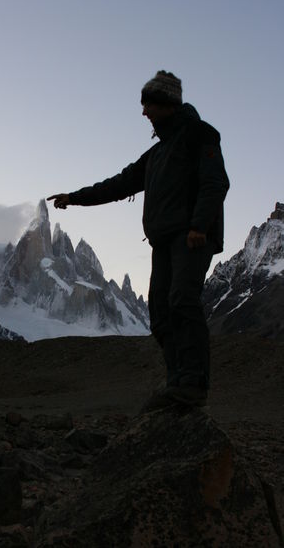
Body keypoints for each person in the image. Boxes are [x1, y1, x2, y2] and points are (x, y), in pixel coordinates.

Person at [47, 70, 230, 412]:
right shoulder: (155, 155)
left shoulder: (200, 134)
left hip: (191, 236)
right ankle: (177, 382)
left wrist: (199, 225)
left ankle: (193, 384)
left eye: (148, 104)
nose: (144, 112)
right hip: (163, 241)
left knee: (182, 300)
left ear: (166, 104)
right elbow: (118, 184)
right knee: (160, 313)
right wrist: (74, 197)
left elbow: (215, 182)